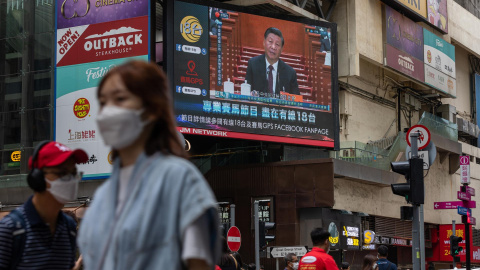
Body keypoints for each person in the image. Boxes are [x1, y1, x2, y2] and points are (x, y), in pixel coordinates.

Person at [77, 60, 221, 270]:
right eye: (103, 102)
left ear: (151, 109)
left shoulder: (179, 180)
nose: (107, 111)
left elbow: (199, 263)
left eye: (120, 99)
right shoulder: (102, 197)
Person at [0, 141, 88, 269]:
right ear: (38, 178)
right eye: (62, 173)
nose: (71, 180)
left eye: (73, 173)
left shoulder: (68, 228)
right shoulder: (10, 230)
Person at [245, 27, 300, 97]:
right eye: (270, 42)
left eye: (277, 44)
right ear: (264, 42)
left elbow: (296, 100)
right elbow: (246, 91)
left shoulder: (290, 73)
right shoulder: (253, 64)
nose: (273, 47)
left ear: (282, 49)